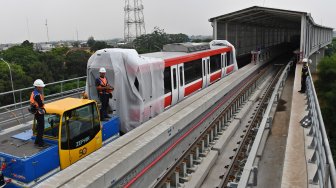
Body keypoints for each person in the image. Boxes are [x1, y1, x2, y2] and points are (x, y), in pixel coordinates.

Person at [30, 79, 46, 148]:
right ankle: (40, 144)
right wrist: (43, 105)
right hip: (39, 112)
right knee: (41, 128)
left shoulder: (34, 92)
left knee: (39, 126)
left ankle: (37, 141)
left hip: (36, 112)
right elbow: (41, 104)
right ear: (38, 87)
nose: (42, 88)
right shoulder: (37, 95)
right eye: (41, 87)